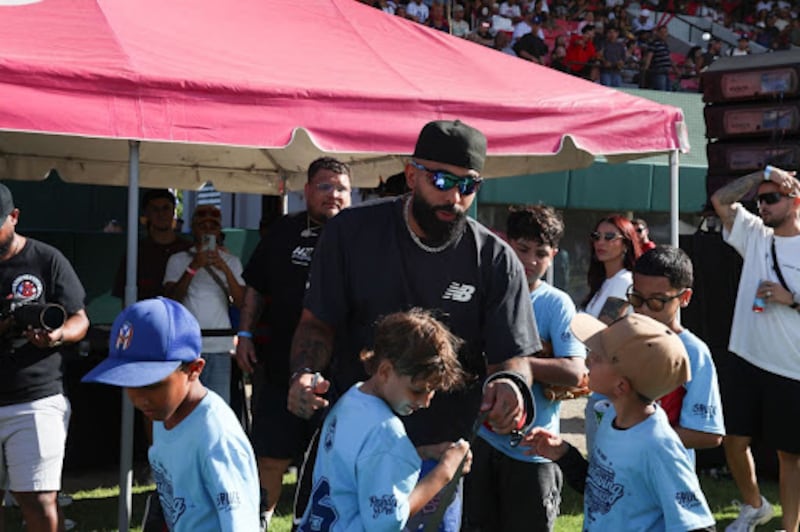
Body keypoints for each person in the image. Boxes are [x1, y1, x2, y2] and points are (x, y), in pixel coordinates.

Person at [287, 119, 540, 530]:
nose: (455, 197)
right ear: (411, 174)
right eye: (441, 179)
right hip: (359, 438)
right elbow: (316, 324)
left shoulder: (494, 258)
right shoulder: (351, 233)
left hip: (439, 450)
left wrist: (510, 385)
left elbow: (512, 355)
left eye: (469, 186)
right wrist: (304, 372)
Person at [234, 157, 351, 530]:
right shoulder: (283, 233)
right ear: (307, 192)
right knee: (270, 455)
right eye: (325, 186)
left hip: (341, 375)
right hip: (280, 369)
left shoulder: (361, 236)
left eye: (342, 188)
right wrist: (246, 334)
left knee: (330, 461)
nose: (334, 195)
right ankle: (260, 522)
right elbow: (256, 286)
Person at [521, 313, 717, 532]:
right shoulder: (612, 416)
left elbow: (698, 526)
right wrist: (565, 455)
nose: (587, 360)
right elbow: (604, 493)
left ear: (621, 386)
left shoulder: (659, 446)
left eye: (597, 357)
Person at [81, 297, 259, 531]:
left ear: (194, 369)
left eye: (152, 384)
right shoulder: (163, 413)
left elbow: (240, 524)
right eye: (128, 383)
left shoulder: (217, 437)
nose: (139, 398)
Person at [463, 206, 586, 532]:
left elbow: (575, 371)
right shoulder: (483, 294)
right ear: (506, 244)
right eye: (523, 249)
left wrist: (516, 365)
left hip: (534, 448)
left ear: (554, 255)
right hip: (479, 439)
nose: (531, 260)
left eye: (541, 253)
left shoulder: (556, 303)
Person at [298, 309, 471, 531]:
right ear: (385, 371)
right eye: (417, 390)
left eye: (432, 391)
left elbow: (362, 465)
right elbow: (388, 522)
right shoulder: (386, 431)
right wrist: (446, 471)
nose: (426, 402)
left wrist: (424, 453)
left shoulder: (351, 399)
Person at [710, 165, 800, 532]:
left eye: (771, 198)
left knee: (789, 456)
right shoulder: (755, 234)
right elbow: (721, 200)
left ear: (795, 200)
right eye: (760, 199)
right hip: (745, 356)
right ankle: (755, 506)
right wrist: (764, 173)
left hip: (791, 367)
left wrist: (790, 298)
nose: (762, 206)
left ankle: (790, 528)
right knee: (732, 440)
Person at [0, 182, 90, 532]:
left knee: (39, 501)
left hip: (36, 400)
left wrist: (57, 335)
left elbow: (79, 318)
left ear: (14, 217)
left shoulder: (46, 258)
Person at [628, 246, 725, 459]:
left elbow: (707, 434)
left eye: (656, 301)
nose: (643, 309)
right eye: (636, 298)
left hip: (665, 474)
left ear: (684, 297)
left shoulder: (693, 351)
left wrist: (634, 437)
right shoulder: (623, 337)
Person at [163, 204, 245, 405]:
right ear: (193, 228)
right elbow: (172, 300)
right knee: (183, 408)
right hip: (186, 347)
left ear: (219, 232)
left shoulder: (232, 261)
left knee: (215, 407)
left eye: (213, 226)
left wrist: (224, 268)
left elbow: (242, 302)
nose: (208, 230)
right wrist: (193, 267)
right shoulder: (178, 260)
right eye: (202, 226)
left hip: (219, 347)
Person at [582, 213, 642, 453]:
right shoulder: (604, 282)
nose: (601, 243)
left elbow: (602, 329)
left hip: (614, 386)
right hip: (601, 383)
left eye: (609, 237)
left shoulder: (624, 281)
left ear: (626, 244)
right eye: (597, 236)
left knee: (605, 457)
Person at [112, 189, 192, 303]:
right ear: (147, 214)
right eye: (155, 209)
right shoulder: (136, 252)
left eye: (166, 208)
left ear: (173, 211)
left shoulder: (188, 249)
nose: (161, 214)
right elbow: (125, 296)